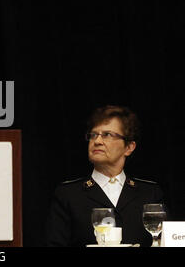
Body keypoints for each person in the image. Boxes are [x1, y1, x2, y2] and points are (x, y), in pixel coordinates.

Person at [45, 105, 164, 247]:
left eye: (107, 135)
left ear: (129, 147)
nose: (97, 141)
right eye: (93, 135)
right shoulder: (68, 194)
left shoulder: (150, 193)